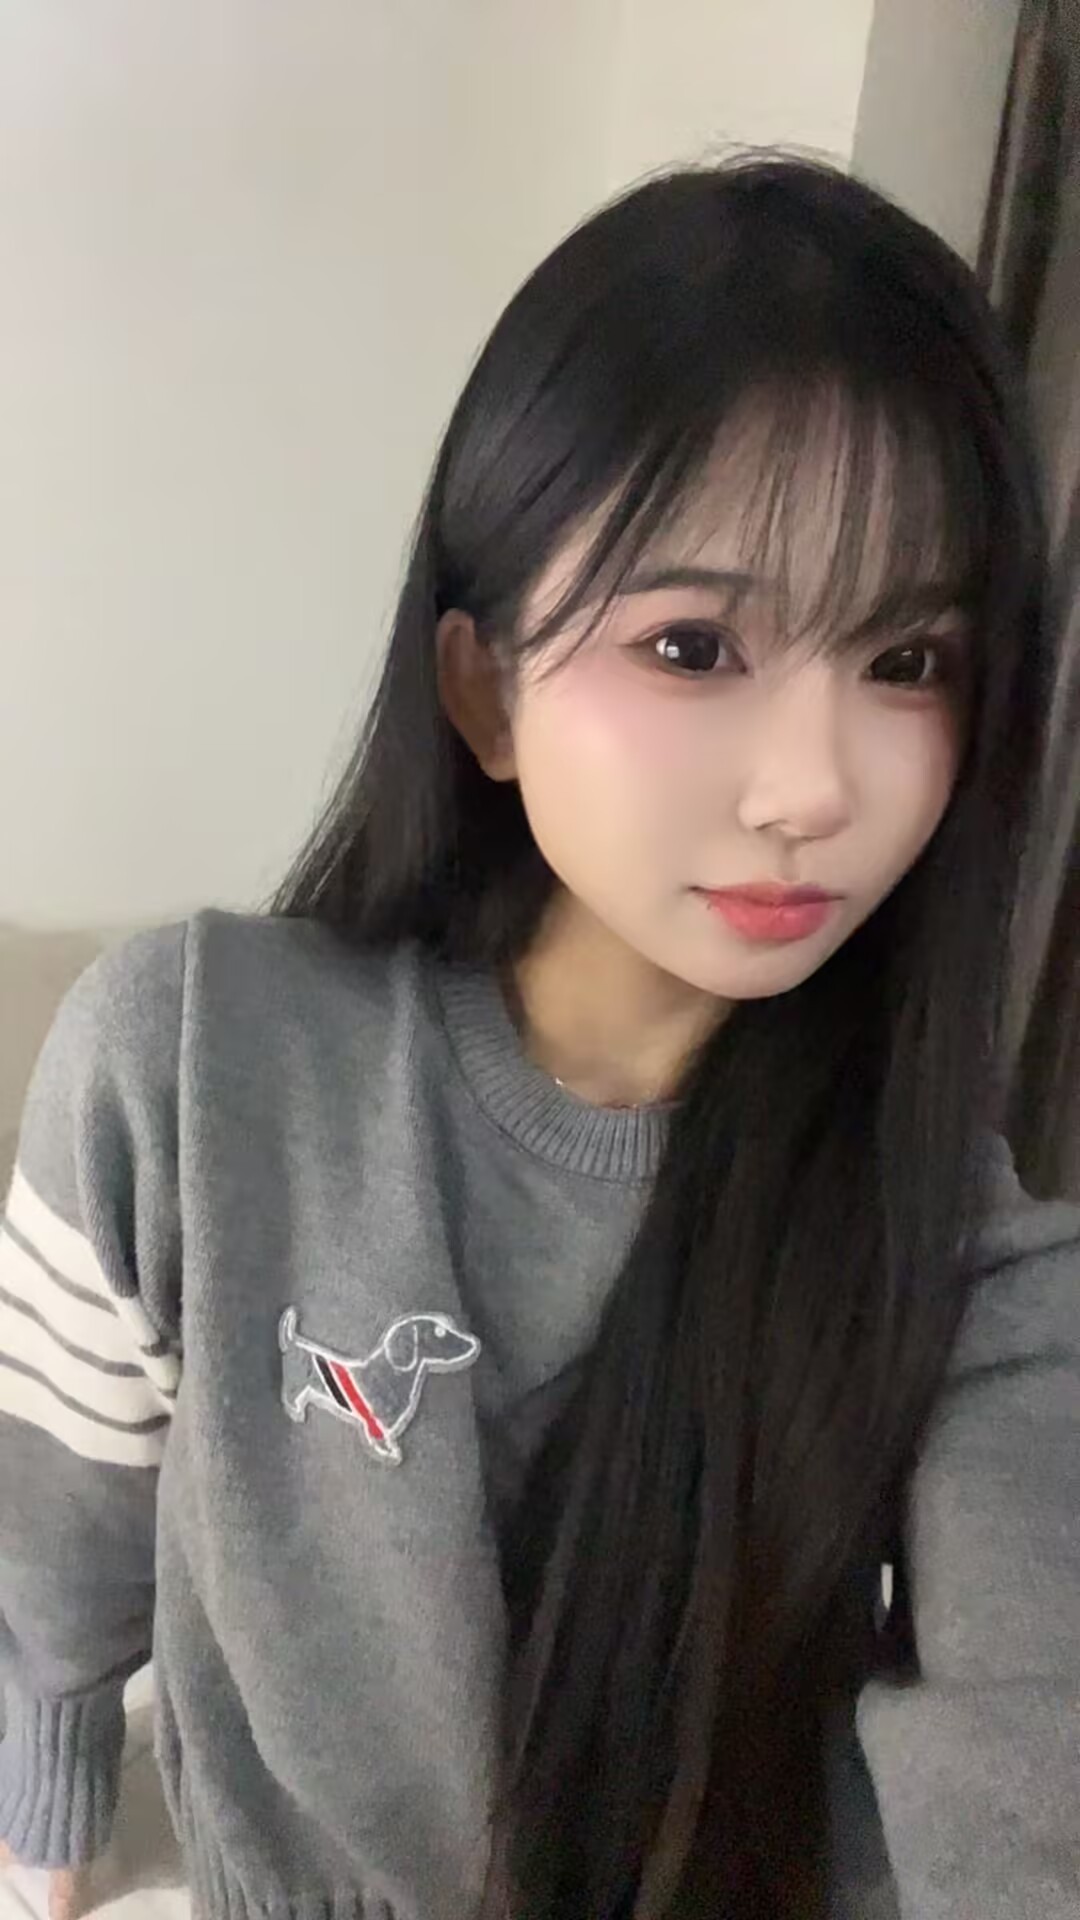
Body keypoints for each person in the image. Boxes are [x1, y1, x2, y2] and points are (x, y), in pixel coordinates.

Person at [1, 154, 1078, 1920]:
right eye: (696, 643)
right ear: (483, 688)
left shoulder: (969, 1266)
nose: (815, 787)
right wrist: (43, 1812)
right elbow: (58, 1521)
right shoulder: (193, 1065)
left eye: (907, 661)